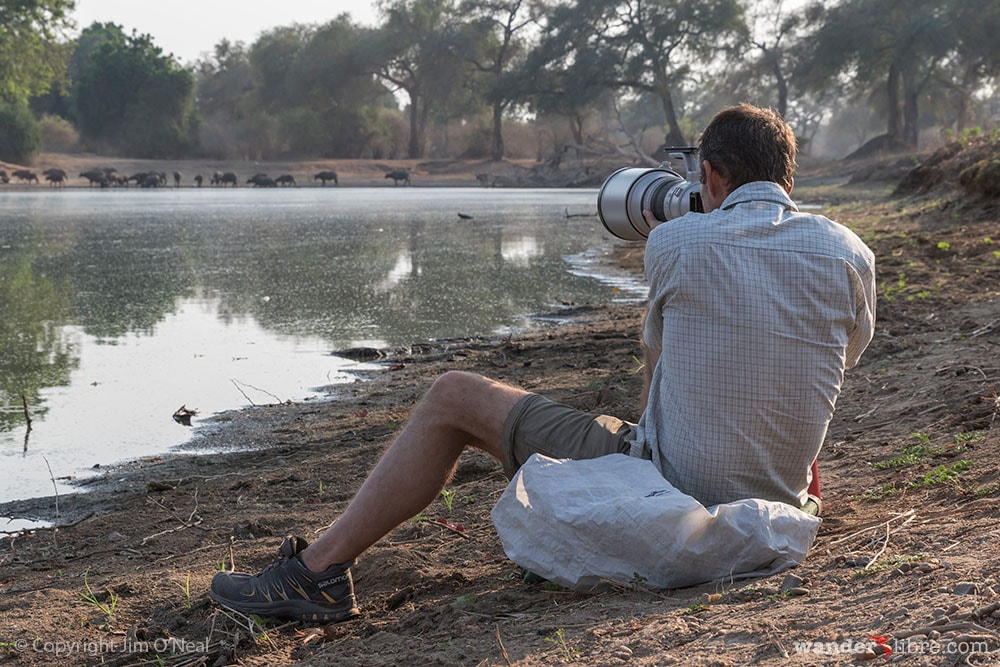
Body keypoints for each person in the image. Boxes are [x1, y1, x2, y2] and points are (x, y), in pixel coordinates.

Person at [210, 103, 877, 623]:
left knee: (450, 395)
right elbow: (832, 366)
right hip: (780, 489)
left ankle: (317, 571)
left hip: (677, 486)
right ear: (792, 177)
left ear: (710, 175)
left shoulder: (677, 242)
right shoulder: (851, 252)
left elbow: (652, 400)